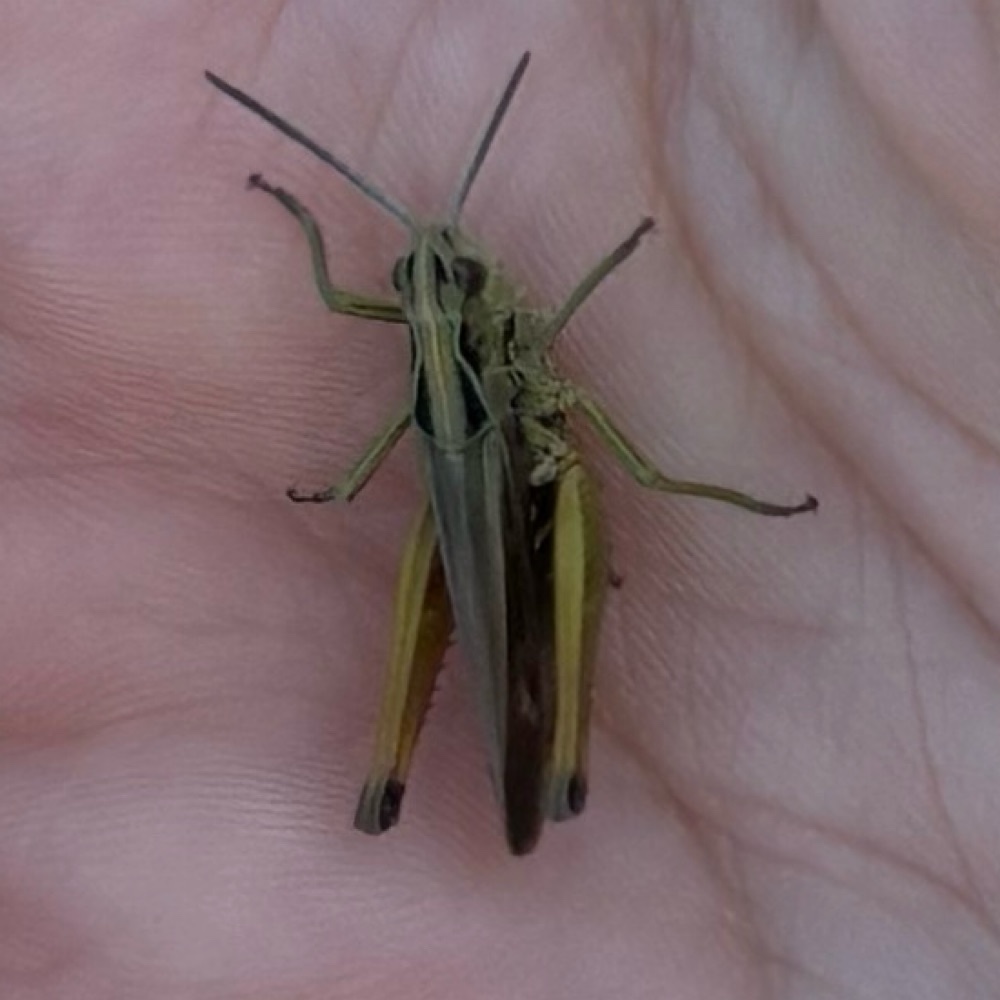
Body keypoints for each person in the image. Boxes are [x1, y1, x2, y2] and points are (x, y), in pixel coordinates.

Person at [2, 5, 995, 996]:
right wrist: (611, 255)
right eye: (428, 276)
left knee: (551, 500)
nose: (441, 274)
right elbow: (638, 467)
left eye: (448, 273)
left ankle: (547, 762)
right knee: (607, 482)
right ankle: (459, 768)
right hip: (494, 501)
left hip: (502, 489)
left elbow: (343, 379)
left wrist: (316, 231)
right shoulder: (499, 351)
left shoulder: (443, 357)